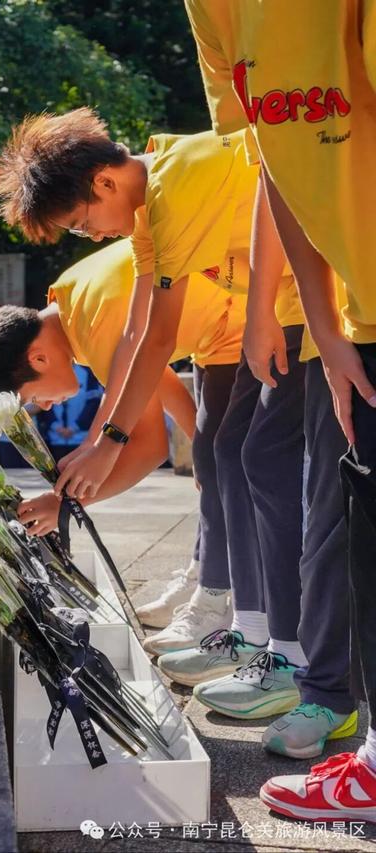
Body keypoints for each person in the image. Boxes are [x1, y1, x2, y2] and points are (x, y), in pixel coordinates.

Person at [0, 113, 308, 672]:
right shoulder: (149, 209)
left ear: (104, 182)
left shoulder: (174, 184)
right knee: (225, 454)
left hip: (302, 302)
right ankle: (250, 625)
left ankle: (285, 645)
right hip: (275, 308)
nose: (91, 238)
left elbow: (156, 339)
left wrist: (106, 444)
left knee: (254, 460)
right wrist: (100, 444)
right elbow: (141, 334)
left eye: (81, 225)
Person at [184, 0, 373, 817]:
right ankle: (310, 673)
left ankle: (312, 673)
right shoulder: (216, 10)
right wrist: (316, 323)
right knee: (327, 499)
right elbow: (281, 160)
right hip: (347, 311)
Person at [0, 237, 249, 646]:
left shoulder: (99, 327)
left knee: (232, 470)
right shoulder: (71, 301)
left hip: (243, 323)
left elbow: (148, 446)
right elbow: (156, 377)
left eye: (33, 398)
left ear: (37, 359)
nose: (45, 406)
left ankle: (215, 599)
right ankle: (205, 574)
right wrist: (201, 449)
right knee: (217, 466)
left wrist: (64, 504)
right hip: (222, 335)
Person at [43, 365, 102, 462]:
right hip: (56, 440)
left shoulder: (88, 373)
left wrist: (75, 427)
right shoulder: (49, 373)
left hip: (80, 440)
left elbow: (93, 404)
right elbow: (44, 402)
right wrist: (55, 426)